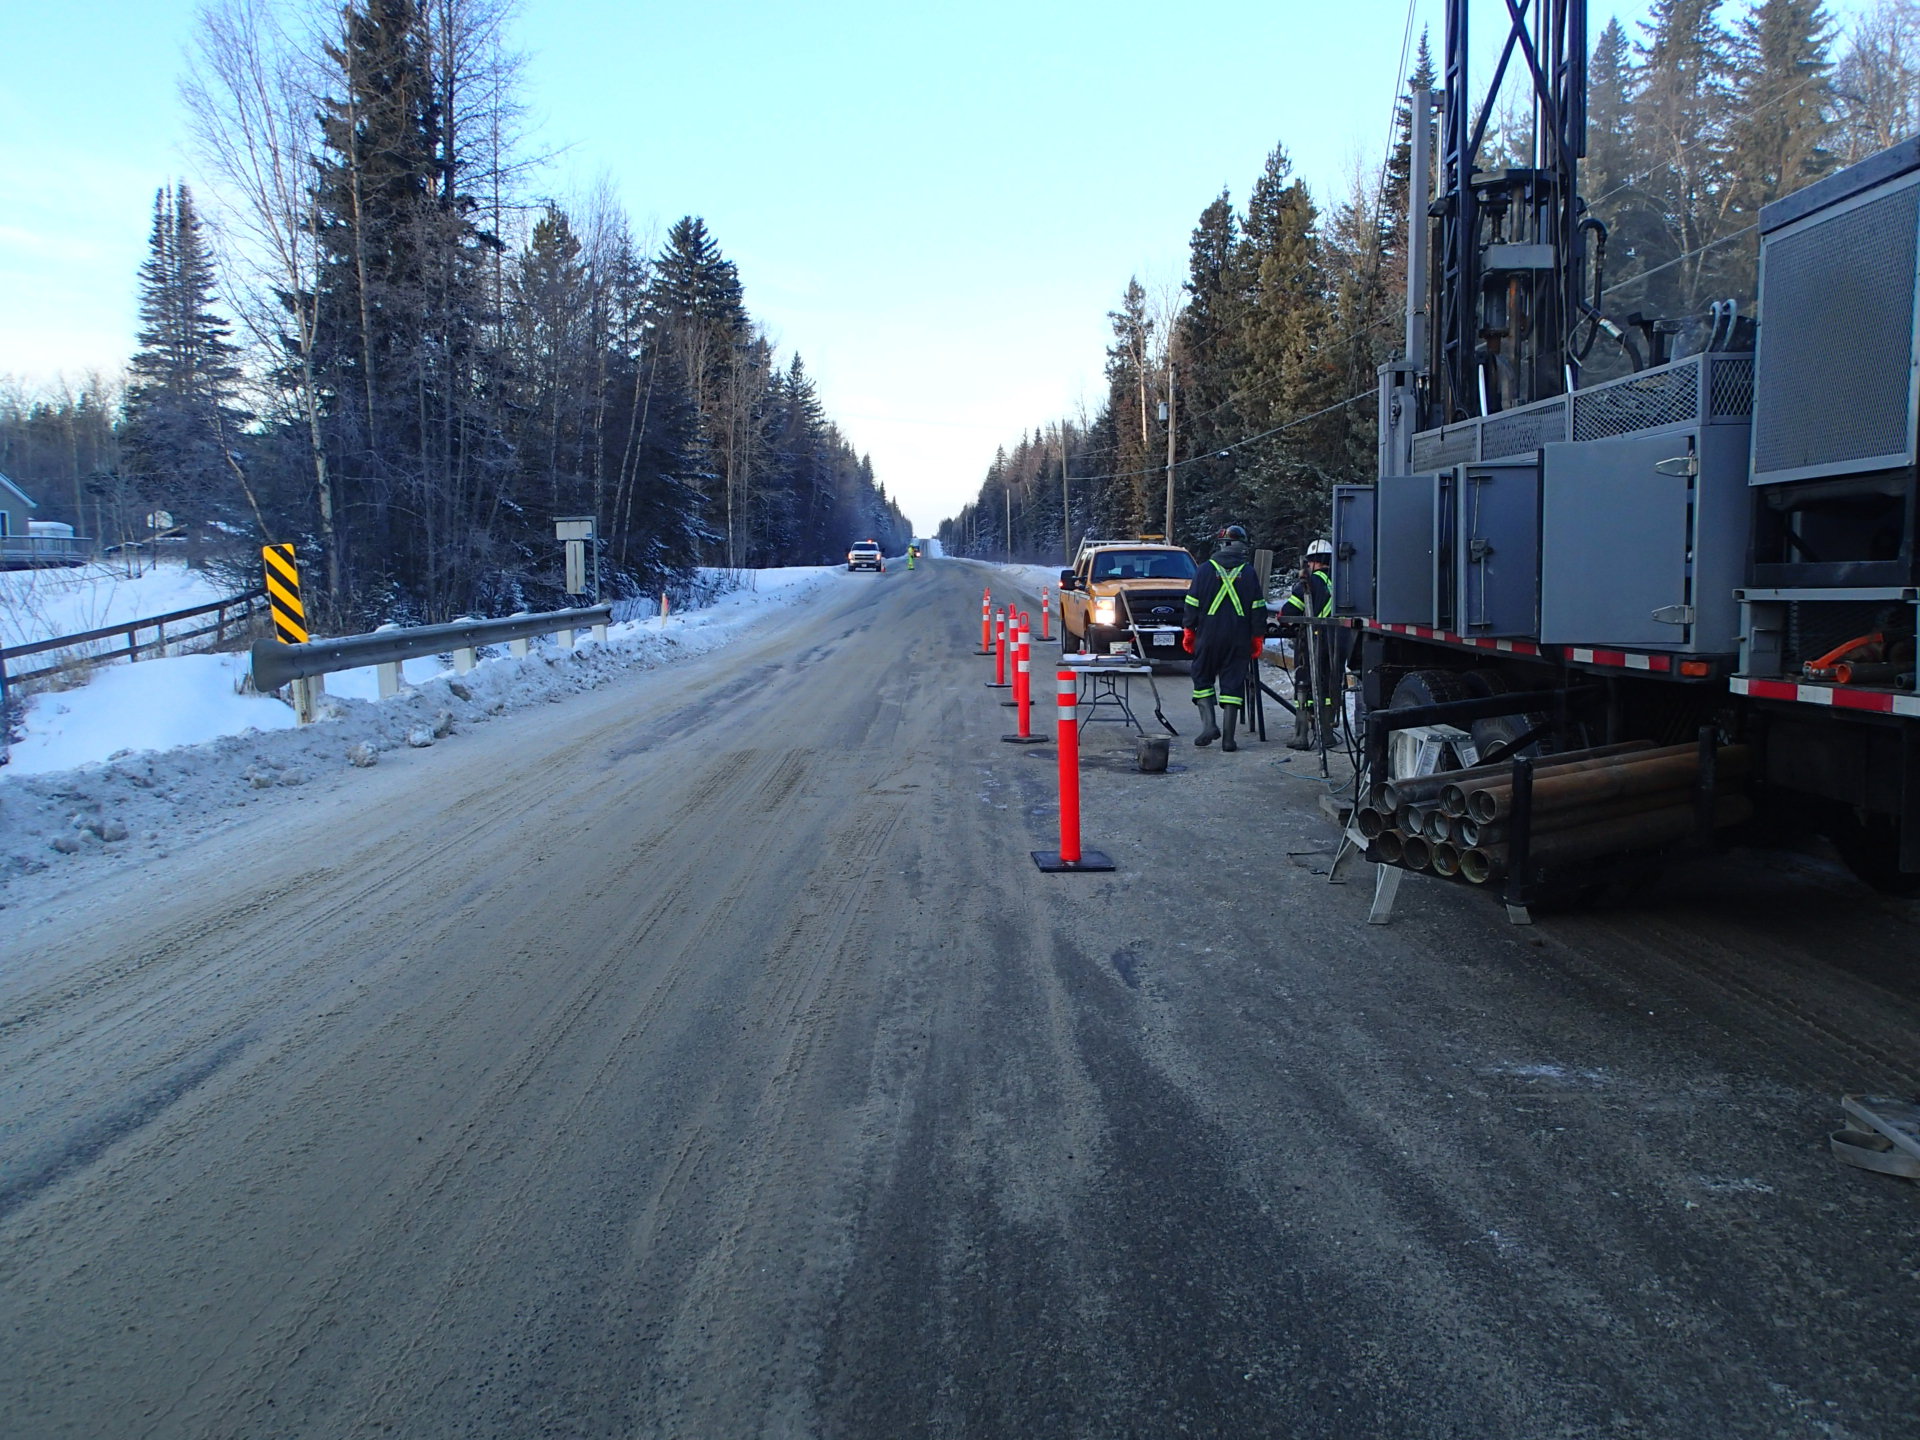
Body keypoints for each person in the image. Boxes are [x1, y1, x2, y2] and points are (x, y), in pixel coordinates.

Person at [1181, 524, 1267, 752]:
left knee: (1202, 676)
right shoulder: (1248, 572)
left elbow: (1192, 604)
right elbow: (1258, 608)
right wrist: (1258, 636)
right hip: (1238, 637)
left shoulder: (1204, 570)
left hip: (1208, 635)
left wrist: (1189, 631)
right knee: (1233, 682)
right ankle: (1229, 739)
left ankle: (1209, 725)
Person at [1274, 537, 1350, 751]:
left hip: (1315, 639)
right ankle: (1326, 733)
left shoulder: (1311, 581)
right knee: (1329, 684)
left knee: (1305, 684)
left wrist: (1283, 618)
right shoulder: (1343, 581)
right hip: (1339, 640)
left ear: (1313, 562)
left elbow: (1290, 611)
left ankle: (1301, 735)